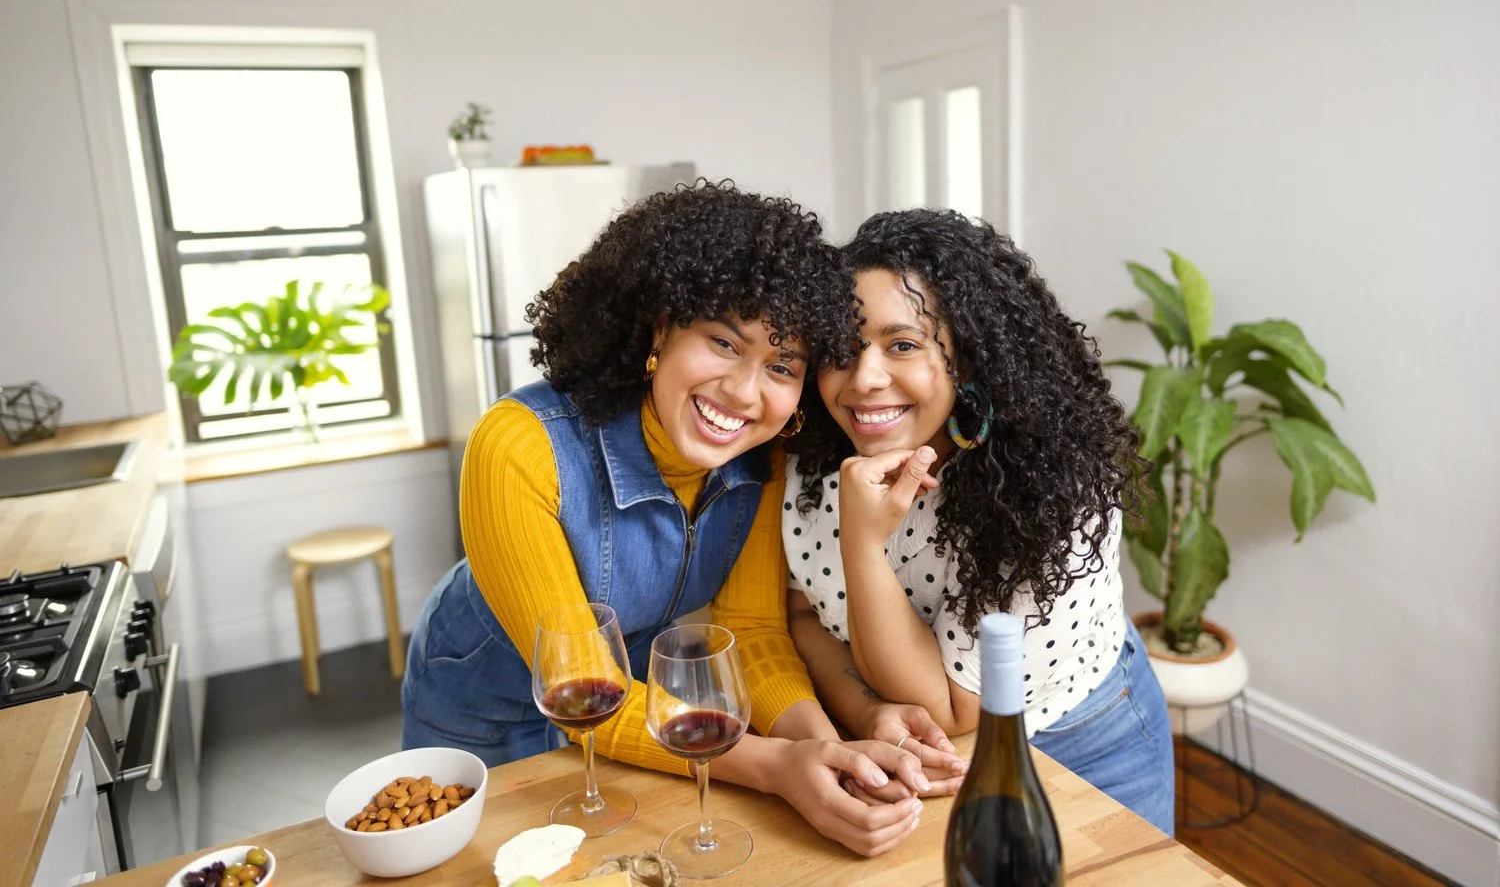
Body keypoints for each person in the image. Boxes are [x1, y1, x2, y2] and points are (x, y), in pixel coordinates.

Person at [402, 180, 956, 857]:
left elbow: (752, 631)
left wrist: (831, 753)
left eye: (782, 365)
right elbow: (583, 691)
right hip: (485, 705)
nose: (745, 392)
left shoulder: (765, 458)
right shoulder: (519, 447)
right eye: (725, 343)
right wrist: (777, 768)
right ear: (661, 328)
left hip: (640, 708)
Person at [782, 208, 1176, 834]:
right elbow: (802, 615)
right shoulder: (813, 451)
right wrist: (864, 712)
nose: (864, 379)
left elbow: (953, 708)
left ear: (965, 356)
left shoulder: (1050, 490)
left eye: (903, 344)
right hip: (919, 759)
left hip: (1083, 746)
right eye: (841, 348)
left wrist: (861, 540)